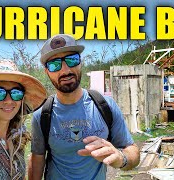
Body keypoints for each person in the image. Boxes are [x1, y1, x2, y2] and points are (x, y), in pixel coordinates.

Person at [29, 34, 140, 180]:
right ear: (46, 71)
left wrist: (121, 158)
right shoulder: (42, 115)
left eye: (72, 59)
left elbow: (133, 152)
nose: (65, 70)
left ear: (81, 62)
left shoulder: (105, 106)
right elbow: (37, 159)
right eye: (54, 64)